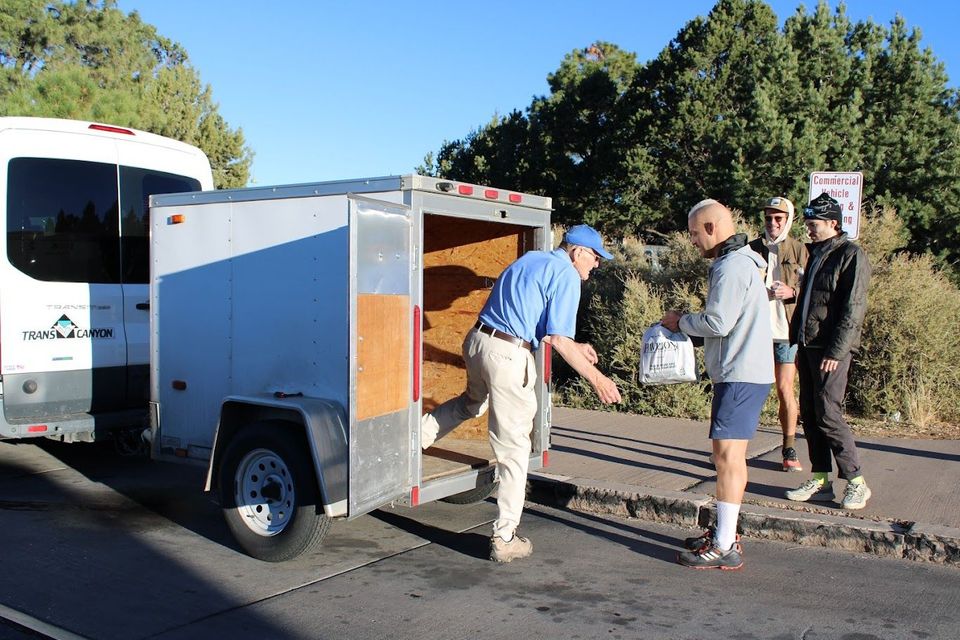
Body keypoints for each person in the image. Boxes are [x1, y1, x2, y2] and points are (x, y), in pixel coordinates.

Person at [420, 224, 622, 563]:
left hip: (478, 341)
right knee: (514, 447)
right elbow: (556, 340)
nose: (598, 264)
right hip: (507, 354)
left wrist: (578, 346)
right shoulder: (568, 275)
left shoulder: (532, 259)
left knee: (471, 403)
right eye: (596, 256)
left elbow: (542, 325)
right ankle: (505, 537)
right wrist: (597, 379)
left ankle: (416, 437)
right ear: (577, 251)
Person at [662, 199, 773, 570]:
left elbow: (718, 323)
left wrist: (681, 322)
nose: (693, 240)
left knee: (726, 459)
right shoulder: (743, 262)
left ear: (711, 228)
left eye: (695, 233)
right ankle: (726, 533)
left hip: (739, 373)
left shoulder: (730, 266)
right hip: (746, 371)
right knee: (731, 458)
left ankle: (725, 543)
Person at [785, 193, 872, 510]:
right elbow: (807, 301)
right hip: (809, 346)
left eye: (813, 224)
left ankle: (856, 482)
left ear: (833, 223)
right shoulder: (816, 254)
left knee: (828, 413)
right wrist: (797, 340)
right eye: (807, 223)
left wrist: (836, 351)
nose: (808, 229)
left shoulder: (851, 255)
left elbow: (853, 310)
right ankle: (821, 478)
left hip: (831, 350)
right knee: (809, 411)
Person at [748, 197, 809, 472]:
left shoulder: (800, 250)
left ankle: (789, 448)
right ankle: (733, 448)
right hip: (757, 331)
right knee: (750, 389)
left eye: (778, 219)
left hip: (786, 332)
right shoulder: (752, 249)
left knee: (785, 389)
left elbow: (813, 289)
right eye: (768, 218)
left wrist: (792, 292)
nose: (772, 223)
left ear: (788, 220)